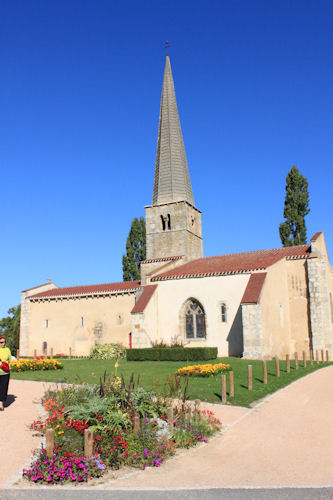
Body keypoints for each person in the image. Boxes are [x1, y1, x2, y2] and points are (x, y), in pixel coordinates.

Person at [0, 335, 11, 410]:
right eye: (1, 342)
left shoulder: (7, 350)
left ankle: (1, 404)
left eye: (4, 342)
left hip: (5, 372)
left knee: (3, 388)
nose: (3, 344)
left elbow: (9, 359)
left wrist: (7, 366)